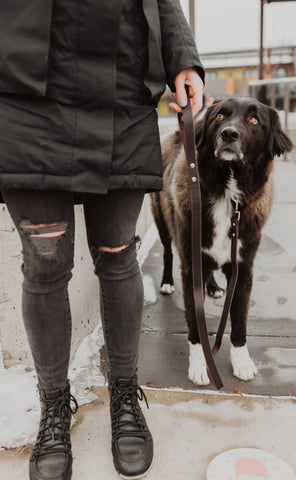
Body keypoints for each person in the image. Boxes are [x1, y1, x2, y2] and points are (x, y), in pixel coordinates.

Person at [0, 1, 204, 479]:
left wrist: (184, 60)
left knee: (118, 257)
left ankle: (125, 397)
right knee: (45, 264)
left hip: (121, 90)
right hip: (26, 91)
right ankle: (53, 407)